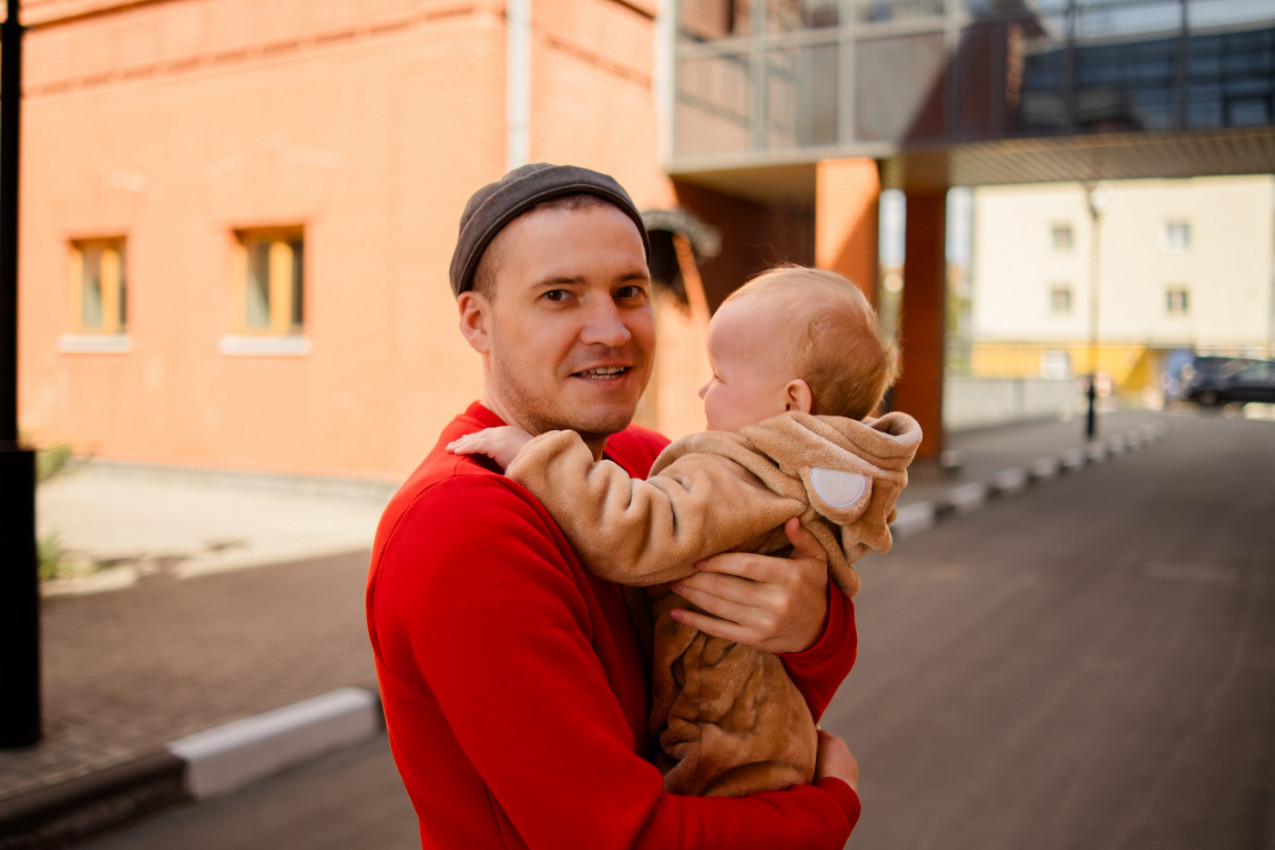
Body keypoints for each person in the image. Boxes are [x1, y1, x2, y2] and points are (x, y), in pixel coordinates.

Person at [366, 163, 862, 849]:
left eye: (628, 291)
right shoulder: (459, 527)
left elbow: (746, 695)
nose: (610, 329)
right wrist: (827, 811)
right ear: (477, 323)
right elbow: (615, 838)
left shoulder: (645, 460)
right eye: (559, 295)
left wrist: (816, 628)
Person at [448, 266, 921, 799]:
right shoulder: (814, 472)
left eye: (719, 376)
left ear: (791, 401)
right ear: (477, 318)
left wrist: (541, 459)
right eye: (558, 294)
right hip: (753, 722)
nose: (703, 388)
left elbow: (637, 533)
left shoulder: (738, 472)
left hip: (718, 729)